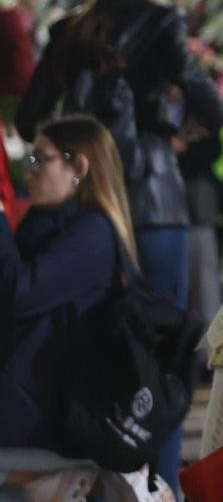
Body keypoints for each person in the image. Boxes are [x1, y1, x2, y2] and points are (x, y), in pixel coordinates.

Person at [14, 0, 223, 487]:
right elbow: (214, 108)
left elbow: (27, 115)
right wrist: (168, 130)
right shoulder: (163, 23)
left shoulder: (69, 31)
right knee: (152, 353)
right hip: (152, 199)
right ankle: (154, 483)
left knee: (76, 339)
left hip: (84, 198)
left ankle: (89, 468)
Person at [1, 116, 139, 450]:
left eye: (39, 160)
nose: (28, 171)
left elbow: (18, 292)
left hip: (42, 415)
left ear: (78, 166)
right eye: (28, 160)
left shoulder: (93, 234)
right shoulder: (46, 223)